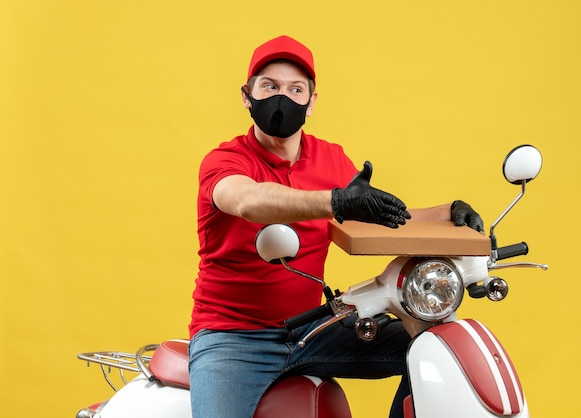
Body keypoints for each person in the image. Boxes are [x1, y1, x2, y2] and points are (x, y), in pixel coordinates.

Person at [188, 35, 484, 418]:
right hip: (233, 338)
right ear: (247, 95)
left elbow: (380, 214)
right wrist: (335, 200)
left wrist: (449, 212)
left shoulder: (329, 158)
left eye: (296, 89)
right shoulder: (225, 160)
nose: (283, 97)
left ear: (310, 103)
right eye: (270, 86)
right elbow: (247, 201)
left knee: (435, 347)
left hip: (310, 329)